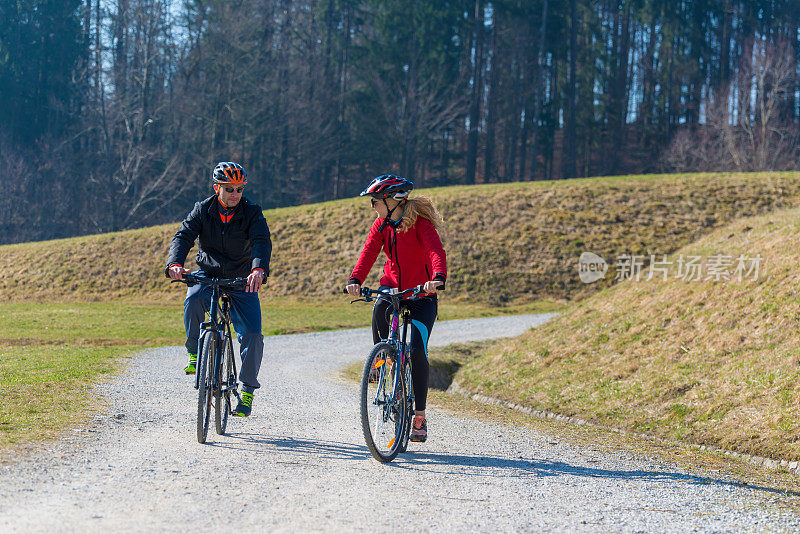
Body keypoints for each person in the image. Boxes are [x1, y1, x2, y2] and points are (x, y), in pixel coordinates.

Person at [346, 174, 447, 442]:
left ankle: (419, 416)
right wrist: (356, 279)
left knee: (416, 350)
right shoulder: (381, 225)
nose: (373, 207)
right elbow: (368, 253)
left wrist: (437, 278)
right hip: (393, 288)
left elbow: (435, 250)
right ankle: (383, 359)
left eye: (375, 201)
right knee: (379, 309)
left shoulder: (421, 225)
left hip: (422, 294)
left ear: (393, 201)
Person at [165, 161, 271, 417]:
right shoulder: (203, 209)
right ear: (217, 188)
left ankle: (246, 391)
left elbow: (261, 241)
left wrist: (258, 269)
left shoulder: (252, 212)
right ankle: (194, 352)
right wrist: (175, 263)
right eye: (229, 189)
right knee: (192, 299)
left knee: (252, 335)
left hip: (241, 278)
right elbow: (183, 236)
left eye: (239, 189)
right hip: (208, 272)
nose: (235, 194)